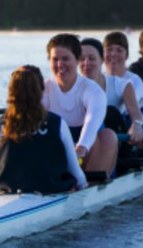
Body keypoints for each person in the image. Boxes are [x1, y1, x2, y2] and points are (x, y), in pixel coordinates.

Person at [0, 65, 87, 194]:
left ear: (10, 92)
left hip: (8, 195)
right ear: (41, 91)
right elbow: (75, 171)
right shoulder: (56, 123)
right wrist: (85, 189)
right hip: (52, 193)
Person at [43, 33, 118, 176]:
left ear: (77, 59)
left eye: (65, 59)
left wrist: (81, 149)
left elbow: (91, 122)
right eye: (55, 59)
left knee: (108, 137)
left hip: (88, 152)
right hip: (57, 150)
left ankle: (91, 184)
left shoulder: (92, 90)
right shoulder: (43, 88)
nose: (60, 64)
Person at [78, 37, 143, 146]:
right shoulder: (71, 87)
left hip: (114, 140)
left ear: (102, 59)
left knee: (110, 112)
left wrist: (136, 126)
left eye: (92, 58)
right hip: (82, 141)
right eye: (81, 59)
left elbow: (136, 114)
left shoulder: (122, 85)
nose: (86, 63)